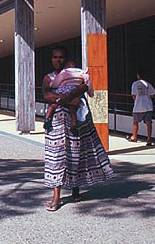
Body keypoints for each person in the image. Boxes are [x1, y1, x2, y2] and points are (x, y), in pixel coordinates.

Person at [42, 46, 114, 211]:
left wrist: (65, 97)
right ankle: (56, 197)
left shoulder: (77, 74)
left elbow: (83, 88)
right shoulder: (49, 78)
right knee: (57, 157)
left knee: (76, 154)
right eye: (55, 57)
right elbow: (46, 94)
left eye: (61, 57)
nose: (57, 60)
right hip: (57, 122)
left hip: (76, 120)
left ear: (66, 59)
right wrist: (64, 98)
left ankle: (75, 190)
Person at [43, 60, 93, 132]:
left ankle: (47, 118)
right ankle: (74, 124)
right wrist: (90, 93)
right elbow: (87, 82)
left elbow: (56, 82)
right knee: (73, 108)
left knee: (53, 105)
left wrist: (52, 85)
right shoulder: (81, 73)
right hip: (74, 93)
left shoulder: (64, 73)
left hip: (63, 91)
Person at [127, 70, 155, 146]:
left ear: (138, 76)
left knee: (135, 122)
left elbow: (133, 95)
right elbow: (153, 94)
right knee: (148, 123)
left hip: (138, 106)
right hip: (148, 106)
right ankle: (149, 139)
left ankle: (134, 136)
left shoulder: (135, 84)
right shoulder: (147, 84)